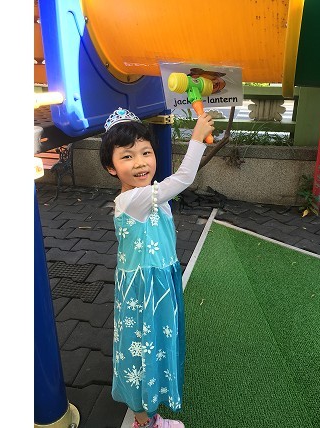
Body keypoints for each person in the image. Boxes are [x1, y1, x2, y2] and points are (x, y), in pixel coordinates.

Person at [99, 107, 215, 428]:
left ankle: (148, 414)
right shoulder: (132, 200)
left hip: (158, 283)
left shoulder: (148, 195)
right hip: (145, 291)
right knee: (141, 349)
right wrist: (196, 138)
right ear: (111, 167)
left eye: (145, 152)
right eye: (127, 156)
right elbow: (184, 178)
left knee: (153, 346)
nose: (140, 162)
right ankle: (144, 421)